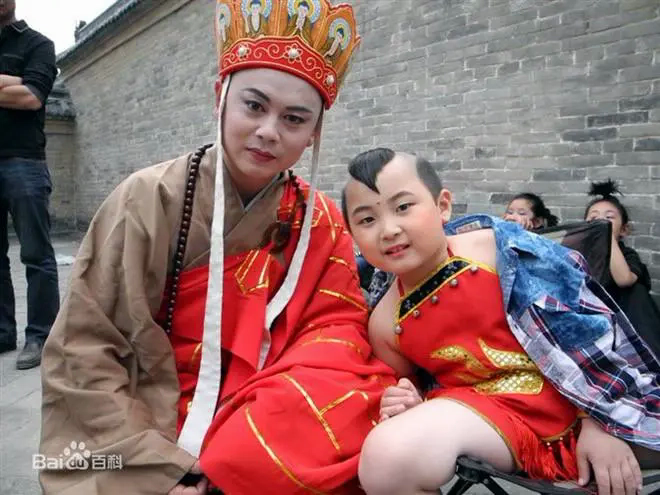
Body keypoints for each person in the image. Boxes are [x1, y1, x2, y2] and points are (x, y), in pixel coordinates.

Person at [39, 1, 395, 494]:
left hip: (267, 408)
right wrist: (155, 471)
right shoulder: (149, 198)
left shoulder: (321, 221)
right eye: (254, 106)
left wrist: (256, 429)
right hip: (153, 399)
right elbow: (85, 346)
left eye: (294, 119)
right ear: (220, 97)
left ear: (314, 132)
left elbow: (337, 333)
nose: (269, 131)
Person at [341, 148, 660, 495]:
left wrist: (599, 423)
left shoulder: (503, 249)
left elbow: (590, 329)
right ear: (351, 236)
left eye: (403, 207)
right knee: (389, 459)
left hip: (591, 398)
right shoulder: (384, 324)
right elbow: (412, 388)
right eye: (367, 220)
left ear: (442, 205)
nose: (389, 230)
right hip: (493, 420)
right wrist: (409, 400)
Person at [0, 0, 59, 369]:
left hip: (24, 162)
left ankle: (41, 335)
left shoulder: (37, 44)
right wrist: (10, 82)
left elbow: (32, 97)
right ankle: (3, 332)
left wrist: (21, 87)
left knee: (36, 254)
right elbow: (18, 90)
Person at [584, 179, 660, 357]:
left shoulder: (628, 255)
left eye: (609, 218)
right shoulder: (578, 254)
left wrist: (607, 236)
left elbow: (624, 280)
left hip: (623, 321)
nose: (600, 221)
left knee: (636, 291)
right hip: (589, 320)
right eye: (594, 218)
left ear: (624, 230)